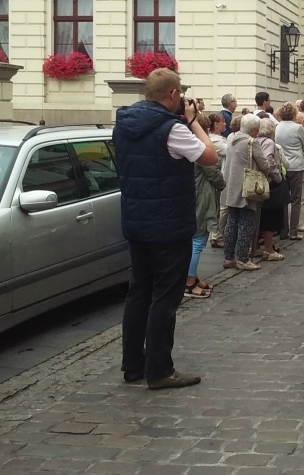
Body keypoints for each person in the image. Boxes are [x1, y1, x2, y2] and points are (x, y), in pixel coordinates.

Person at [113, 69, 218, 390]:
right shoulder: (171, 128)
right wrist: (194, 122)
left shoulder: (123, 123)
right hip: (169, 224)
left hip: (136, 220)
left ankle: (133, 364)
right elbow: (210, 157)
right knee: (165, 297)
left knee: (139, 292)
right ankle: (159, 369)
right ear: (173, 95)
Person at [221, 114, 280, 271]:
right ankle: (242, 258)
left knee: (232, 223)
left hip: (231, 187)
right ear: (254, 129)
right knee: (246, 224)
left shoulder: (231, 139)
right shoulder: (251, 142)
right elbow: (264, 164)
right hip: (247, 188)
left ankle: (229, 257)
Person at [186, 116, 225, 298]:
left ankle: (192, 278)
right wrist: (221, 183)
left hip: (193, 194)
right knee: (198, 240)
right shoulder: (198, 147)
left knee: (195, 239)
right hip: (200, 196)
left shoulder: (187, 143)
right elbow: (213, 172)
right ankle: (188, 281)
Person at [274, 102, 304, 240]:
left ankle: (283, 230)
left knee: (284, 199)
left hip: (283, 166)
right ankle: (293, 231)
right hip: (296, 165)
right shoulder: (297, 128)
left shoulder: (277, 127)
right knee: (296, 200)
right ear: (294, 114)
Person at [252, 118, 287, 261]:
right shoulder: (268, 142)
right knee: (271, 218)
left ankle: (256, 247)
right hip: (269, 183)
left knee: (260, 217)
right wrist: (278, 177)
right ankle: (268, 249)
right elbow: (269, 161)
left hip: (257, 182)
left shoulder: (254, 140)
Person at [208, 113, 230, 248]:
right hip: (221, 176)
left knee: (221, 207)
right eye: (222, 122)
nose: (225, 124)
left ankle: (216, 234)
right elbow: (230, 151)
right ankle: (216, 235)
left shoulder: (219, 138)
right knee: (223, 208)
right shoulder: (215, 141)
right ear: (215, 124)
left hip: (223, 175)